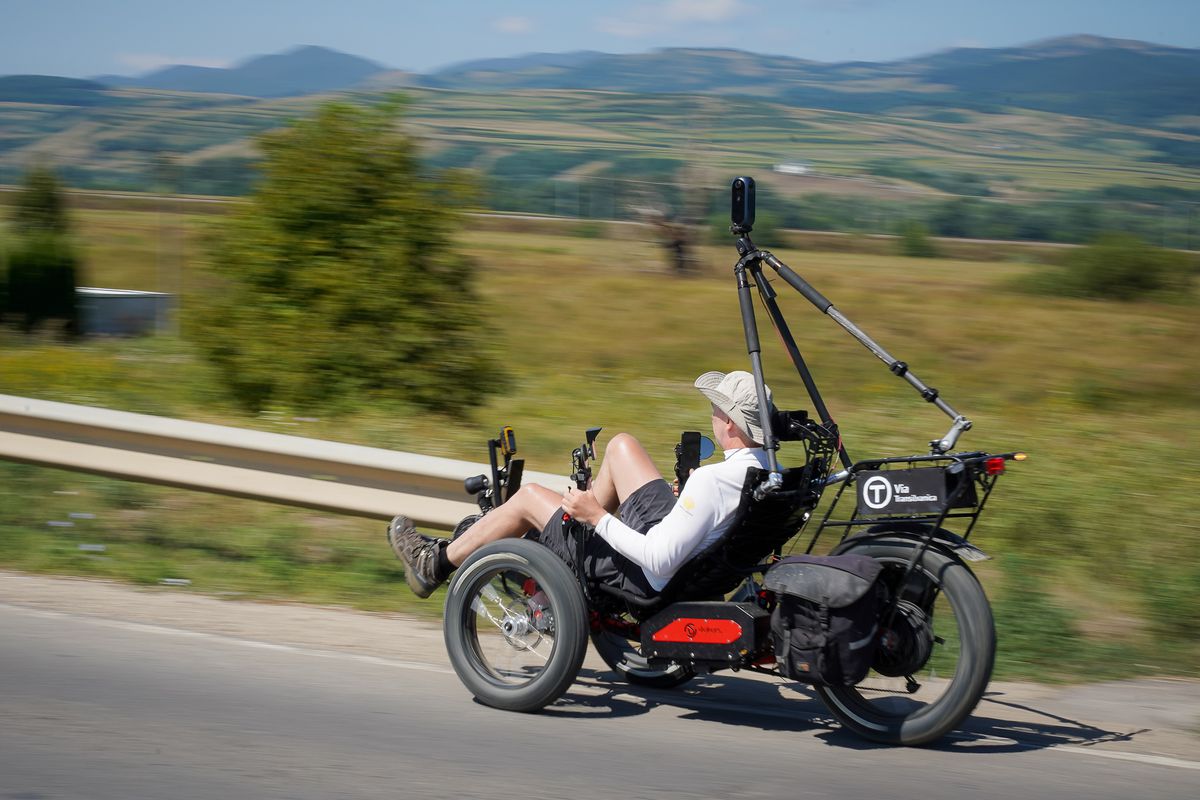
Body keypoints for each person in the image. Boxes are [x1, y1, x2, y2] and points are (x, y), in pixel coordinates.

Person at [388, 370, 776, 599]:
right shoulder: (764, 474)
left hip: (648, 574)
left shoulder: (711, 480)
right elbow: (708, 524)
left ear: (730, 423)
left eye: (716, 408)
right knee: (622, 445)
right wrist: (686, 507)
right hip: (690, 560)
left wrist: (596, 517)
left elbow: (659, 560)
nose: (711, 413)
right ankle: (568, 529)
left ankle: (435, 564)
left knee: (528, 497)